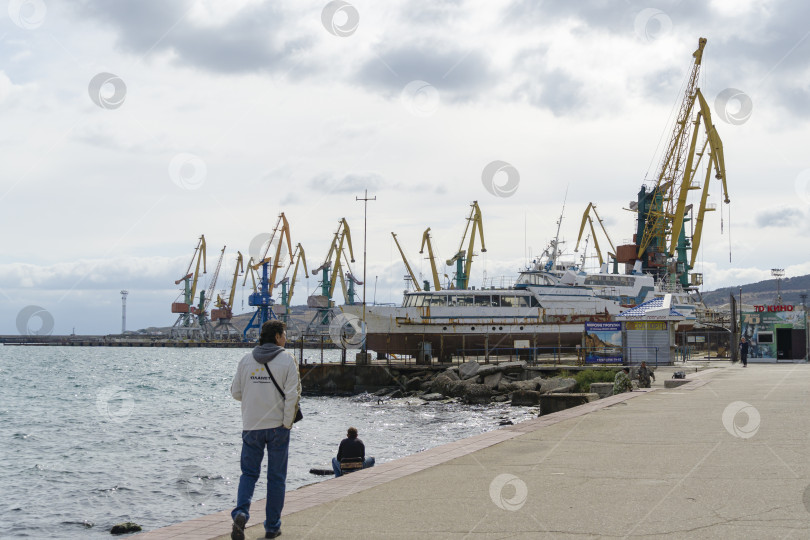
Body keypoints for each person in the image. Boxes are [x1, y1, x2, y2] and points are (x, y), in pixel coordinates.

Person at [230, 320, 301, 540]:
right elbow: (293, 395)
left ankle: (241, 512)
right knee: (276, 478)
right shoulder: (288, 360)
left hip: (252, 425)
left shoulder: (246, 360)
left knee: (249, 474)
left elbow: (235, 393)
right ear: (278, 336)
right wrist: (287, 422)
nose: (286, 338)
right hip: (278, 426)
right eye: (285, 334)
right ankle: (271, 527)